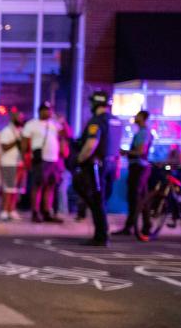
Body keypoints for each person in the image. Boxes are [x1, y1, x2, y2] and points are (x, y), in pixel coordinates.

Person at [72, 90, 116, 247]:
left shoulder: (96, 121)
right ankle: (102, 231)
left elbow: (91, 144)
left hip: (97, 166)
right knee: (101, 200)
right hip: (111, 165)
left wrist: (78, 159)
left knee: (96, 200)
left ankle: (101, 235)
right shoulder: (115, 121)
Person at [23, 102, 64, 223]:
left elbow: (67, 134)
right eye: (46, 110)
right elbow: (24, 143)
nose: (48, 112)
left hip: (54, 159)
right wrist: (25, 158)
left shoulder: (54, 124)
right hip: (40, 159)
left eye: (50, 110)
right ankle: (35, 212)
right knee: (37, 185)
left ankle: (47, 211)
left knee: (50, 185)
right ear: (40, 111)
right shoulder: (31, 124)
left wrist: (61, 122)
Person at [117, 109, 153, 239]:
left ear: (142, 117)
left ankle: (131, 226)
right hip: (140, 168)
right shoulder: (142, 132)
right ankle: (145, 226)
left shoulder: (143, 133)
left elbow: (140, 151)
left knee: (135, 197)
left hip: (139, 168)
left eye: (138, 116)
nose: (135, 117)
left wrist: (125, 152)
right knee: (141, 198)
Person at [0, 112, 26, 221]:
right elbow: (4, 146)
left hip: (19, 163)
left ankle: (12, 210)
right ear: (12, 118)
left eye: (22, 118)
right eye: (18, 117)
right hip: (8, 162)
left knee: (15, 189)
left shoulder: (21, 131)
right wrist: (16, 141)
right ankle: (4, 210)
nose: (20, 119)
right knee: (8, 188)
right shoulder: (7, 131)